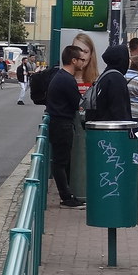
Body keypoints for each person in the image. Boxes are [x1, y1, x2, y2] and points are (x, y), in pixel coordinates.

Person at [46, 45, 88, 209]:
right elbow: (78, 104)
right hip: (62, 124)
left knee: (62, 161)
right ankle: (66, 197)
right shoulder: (67, 79)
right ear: (73, 60)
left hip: (59, 122)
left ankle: (68, 194)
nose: (83, 63)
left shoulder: (61, 76)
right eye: (81, 60)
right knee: (61, 161)